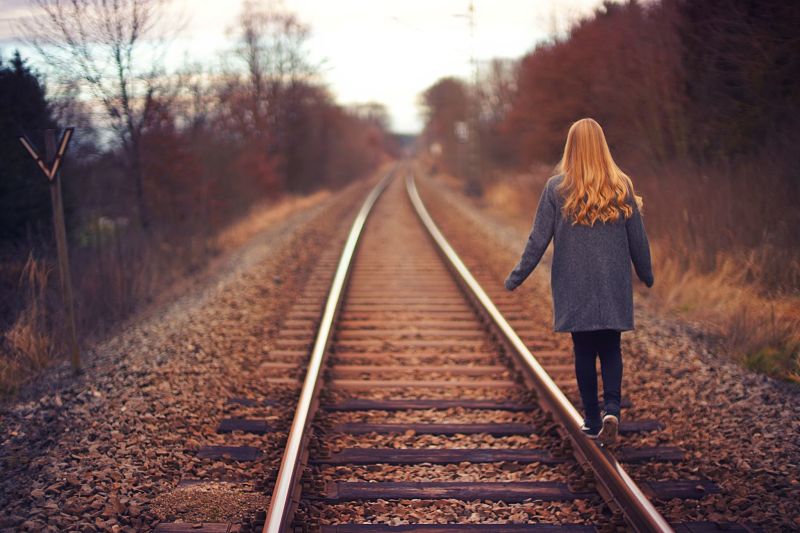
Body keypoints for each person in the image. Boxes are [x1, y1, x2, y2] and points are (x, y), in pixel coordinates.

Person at [504, 118, 653, 445]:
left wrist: (516, 277)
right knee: (611, 345)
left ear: (571, 148)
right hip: (612, 283)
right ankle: (612, 407)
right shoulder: (621, 185)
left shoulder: (556, 188)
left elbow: (537, 240)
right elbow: (637, 240)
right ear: (602, 147)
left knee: (583, 348)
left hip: (575, 285)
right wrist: (646, 274)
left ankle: (590, 417)